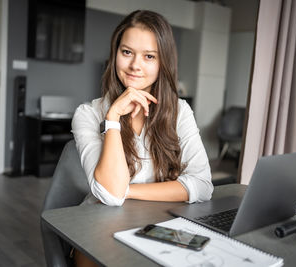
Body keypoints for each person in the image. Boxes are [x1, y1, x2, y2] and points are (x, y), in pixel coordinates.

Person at [71, 10, 213, 266]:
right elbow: (111, 197)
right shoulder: (89, 114)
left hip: (158, 224)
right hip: (99, 226)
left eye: (149, 56)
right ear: (115, 54)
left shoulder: (180, 112)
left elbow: (202, 186)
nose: (136, 65)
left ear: (163, 63)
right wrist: (113, 117)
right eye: (127, 52)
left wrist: (129, 191)